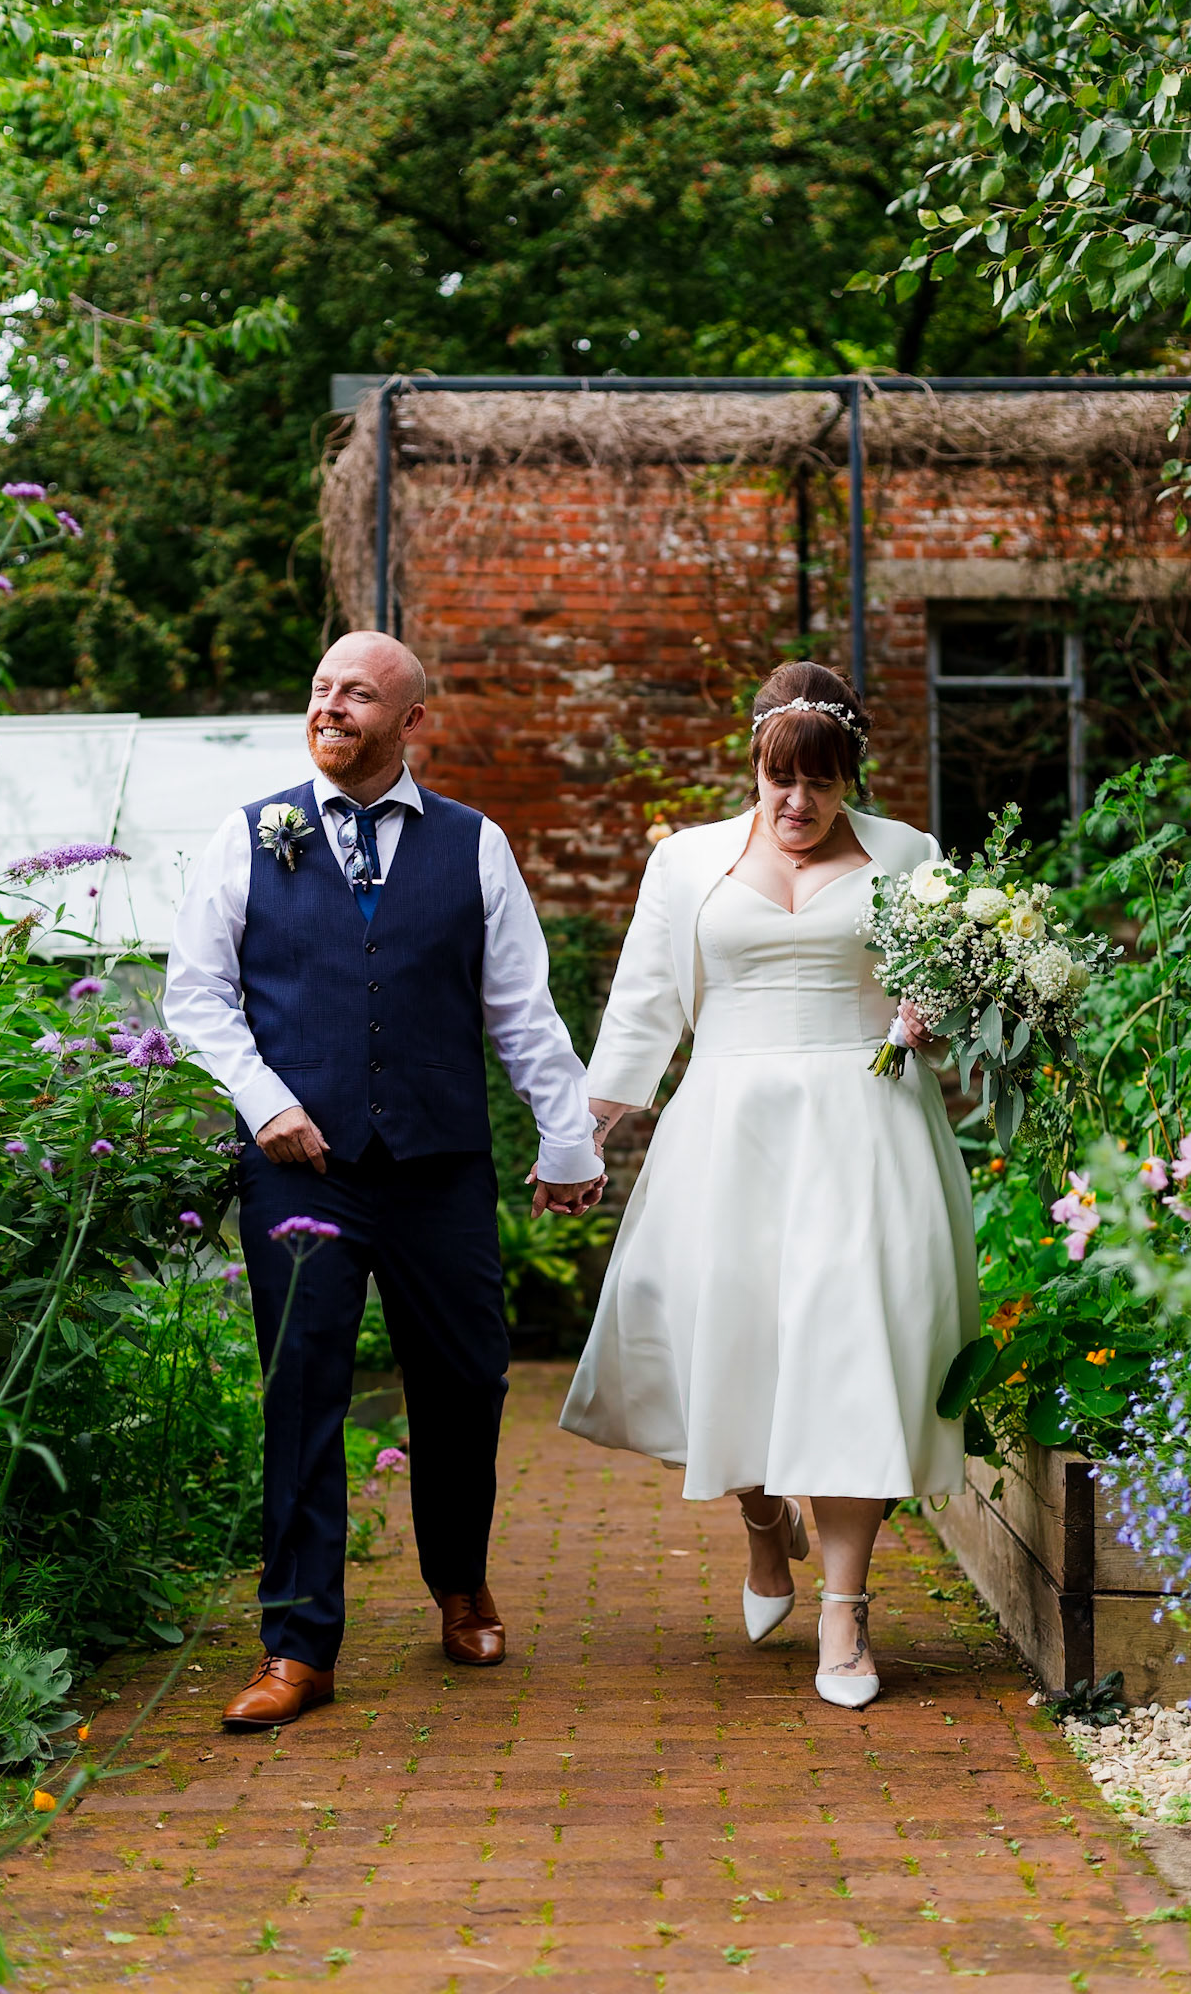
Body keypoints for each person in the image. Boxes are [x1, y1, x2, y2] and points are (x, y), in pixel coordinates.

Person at [165, 632, 603, 1731]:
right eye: (321, 688)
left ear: (410, 720)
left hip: (437, 1164)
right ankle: (296, 1644)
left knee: (465, 1380)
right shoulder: (246, 835)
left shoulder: (473, 843)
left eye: (357, 694)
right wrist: (265, 1101)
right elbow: (196, 996)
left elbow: (521, 1007)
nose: (331, 706)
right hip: (298, 1166)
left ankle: (460, 1582)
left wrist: (568, 1141)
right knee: (302, 1391)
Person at [560, 661, 979, 1708]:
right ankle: (760, 1515)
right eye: (779, 779)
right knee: (727, 1335)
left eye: (821, 783)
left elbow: (947, 1004)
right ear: (753, 764)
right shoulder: (685, 861)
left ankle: (845, 1610)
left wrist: (934, 1018)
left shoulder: (910, 858)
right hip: (728, 1126)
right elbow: (644, 1004)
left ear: (849, 776)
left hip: (867, 1123)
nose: (797, 803)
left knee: (853, 1348)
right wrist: (582, 1140)